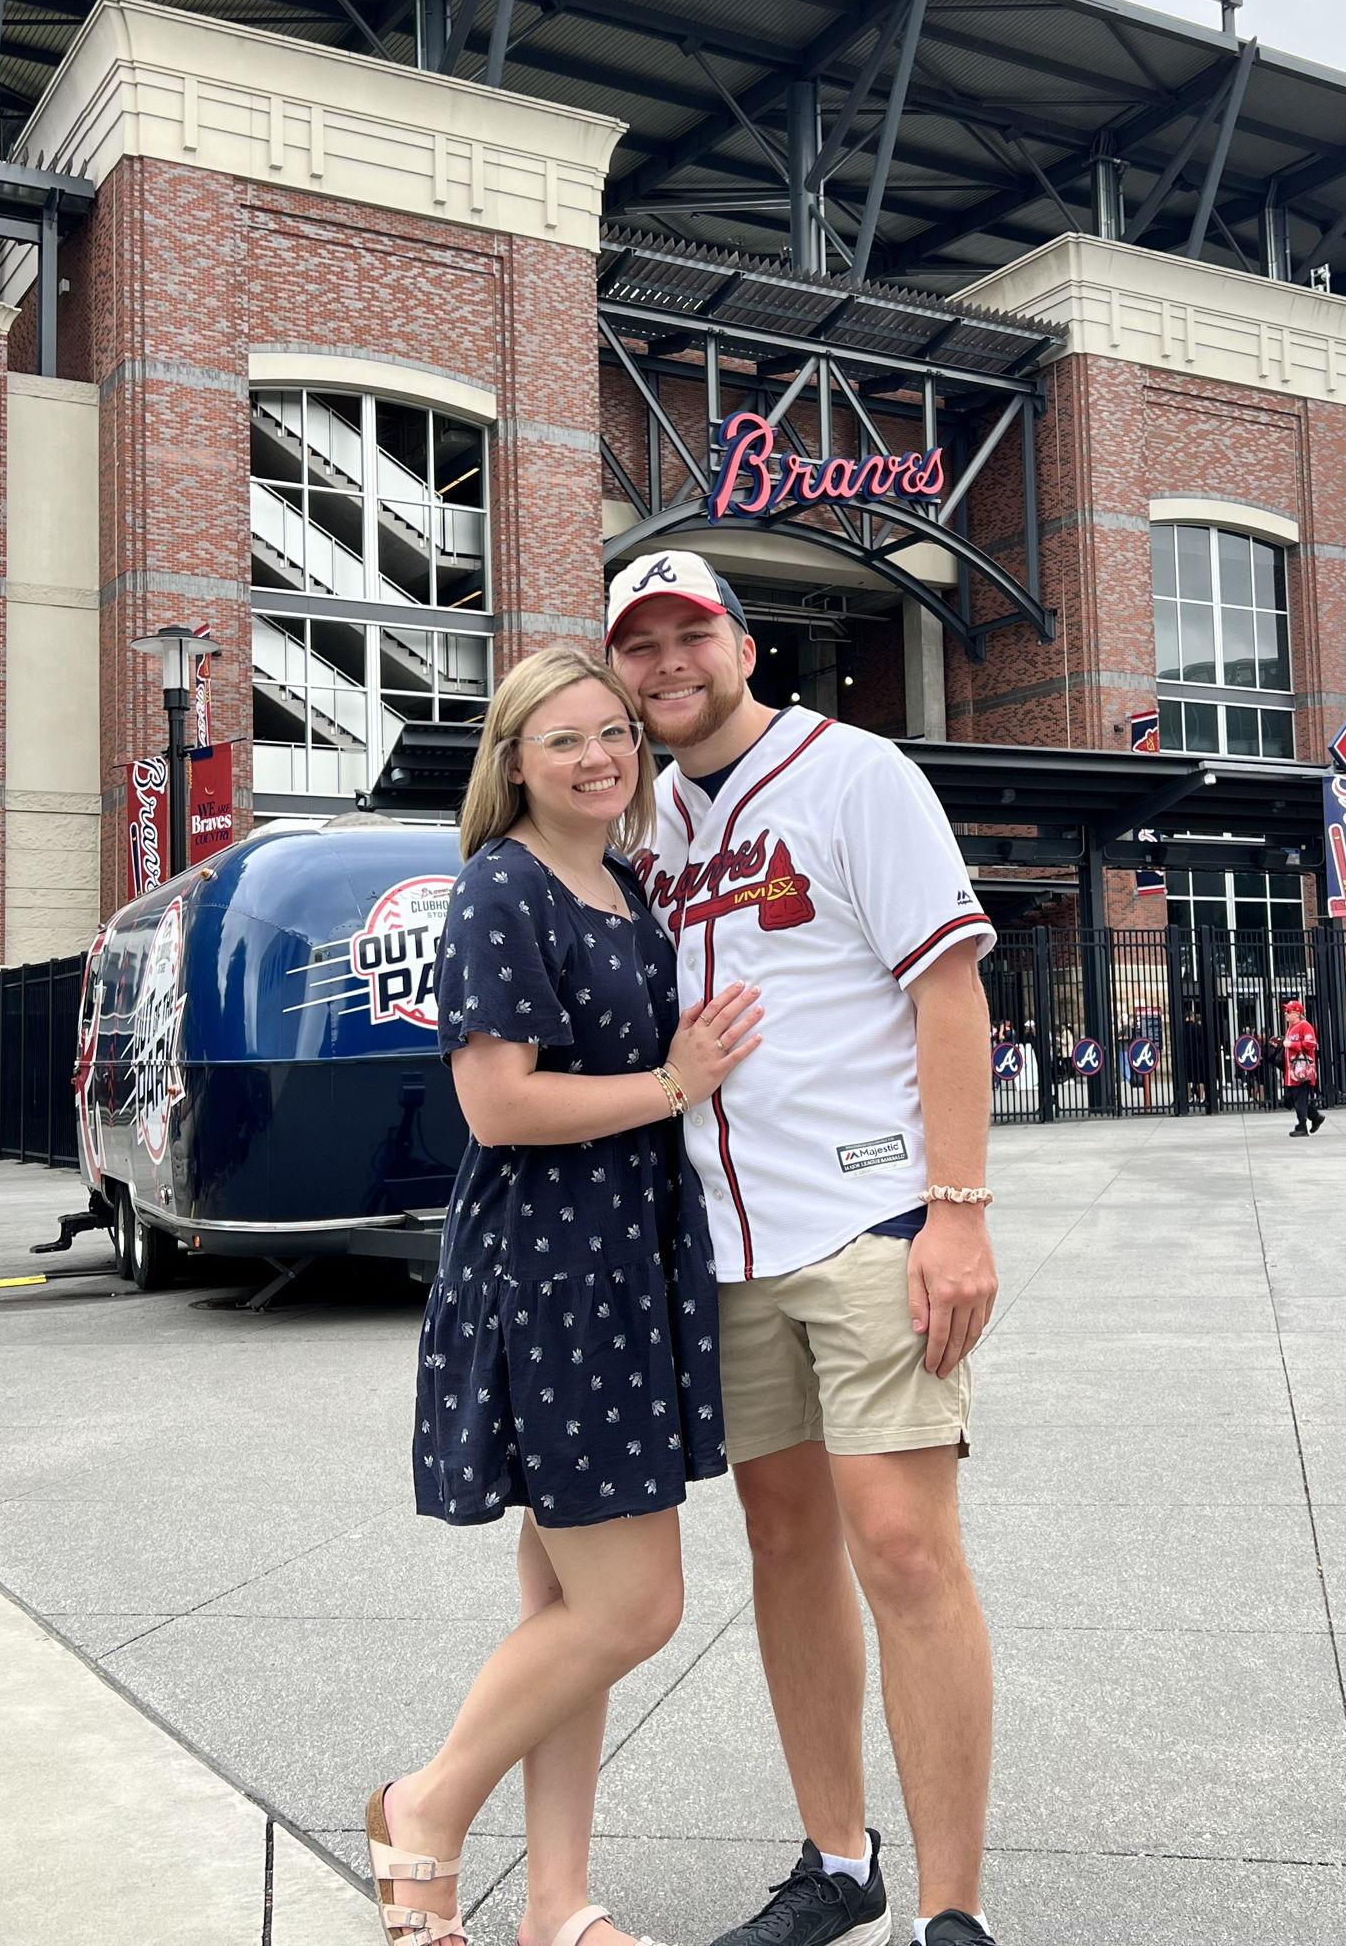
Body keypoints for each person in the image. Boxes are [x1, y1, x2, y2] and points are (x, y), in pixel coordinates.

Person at [606, 550, 1002, 1946]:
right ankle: (840, 1857)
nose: (668, 663)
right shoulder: (645, 829)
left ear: (743, 641)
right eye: (639, 644)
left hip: (869, 1213)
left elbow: (948, 989)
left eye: (689, 633)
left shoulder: (858, 775)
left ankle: (950, 1906)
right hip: (719, 1240)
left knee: (902, 1544)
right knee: (783, 1539)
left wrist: (959, 1208)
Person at [365, 646, 764, 1946]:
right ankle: (426, 1805)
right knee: (632, 1603)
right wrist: (673, 1083)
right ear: (513, 762)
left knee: (568, 1609)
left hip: (625, 1264)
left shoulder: (627, 884)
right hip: (550, 1271)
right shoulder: (501, 889)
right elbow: (498, 1101)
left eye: (613, 731)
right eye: (565, 737)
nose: (601, 754)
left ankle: (556, 1901)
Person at [1279, 998, 1321, 1137]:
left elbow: (1310, 1043)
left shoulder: (1305, 1026)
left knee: (1299, 1099)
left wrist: (1292, 1044)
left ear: (1297, 1013)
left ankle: (1302, 1126)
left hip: (1302, 1071)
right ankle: (1315, 1116)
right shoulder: (1290, 1028)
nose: (1286, 1013)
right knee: (1291, 1099)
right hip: (1292, 1072)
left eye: (1288, 1011)